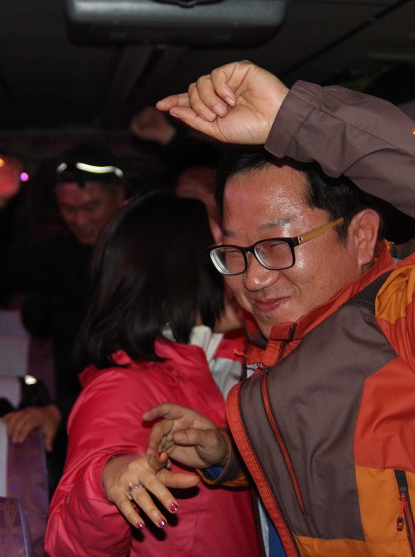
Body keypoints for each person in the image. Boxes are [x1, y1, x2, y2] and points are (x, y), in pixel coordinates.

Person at [139, 62, 415, 556]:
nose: (253, 279)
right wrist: (229, 454)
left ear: (363, 236)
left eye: (277, 245)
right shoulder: (282, 343)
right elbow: (326, 473)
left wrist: (296, 119)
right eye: (236, 253)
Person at [45, 191, 260, 557]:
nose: (241, 265)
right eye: (222, 250)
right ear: (176, 272)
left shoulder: (230, 356)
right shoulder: (123, 386)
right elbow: (67, 544)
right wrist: (108, 481)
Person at [0, 142, 128, 490]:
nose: (80, 220)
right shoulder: (58, 254)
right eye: (68, 209)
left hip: (135, 405)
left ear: (119, 196)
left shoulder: (143, 249)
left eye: (91, 207)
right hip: (72, 407)